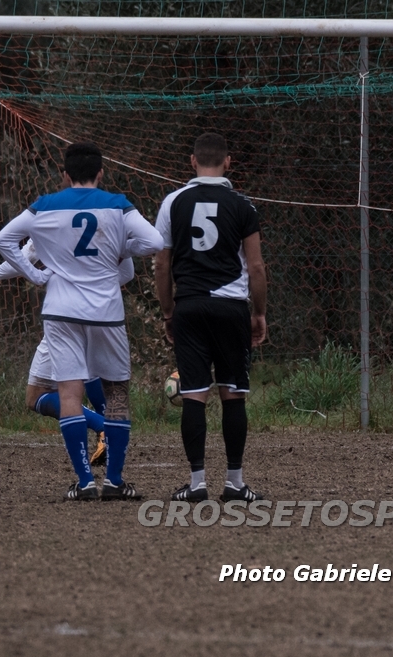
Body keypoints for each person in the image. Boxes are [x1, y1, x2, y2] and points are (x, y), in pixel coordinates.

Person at [0, 141, 163, 501]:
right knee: (116, 394)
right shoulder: (117, 204)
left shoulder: (44, 205)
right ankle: (114, 482)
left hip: (61, 310)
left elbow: (3, 239)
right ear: (101, 173)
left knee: (69, 393)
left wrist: (36, 275)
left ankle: (84, 482)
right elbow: (154, 241)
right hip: (106, 313)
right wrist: (121, 248)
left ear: (65, 174)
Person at [153, 132, 268, 503]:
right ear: (228, 162)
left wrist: (168, 311)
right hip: (231, 307)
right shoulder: (243, 205)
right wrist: (259, 313)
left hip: (189, 306)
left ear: (192, 161)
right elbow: (256, 267)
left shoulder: (173, 202)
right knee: (233, 394)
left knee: (193, 394)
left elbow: (161, 263)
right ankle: (234, 484)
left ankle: (197, 484)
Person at [0, 238, 137, 467]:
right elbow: (128, 273)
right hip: (103, 310)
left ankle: (104, 428)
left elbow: (24, 257)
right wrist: (97, 287)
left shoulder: (53, 220)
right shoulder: (111, 220)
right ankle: (111, 433)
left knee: (36, 395)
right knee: (89, 369)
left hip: (66, 312)